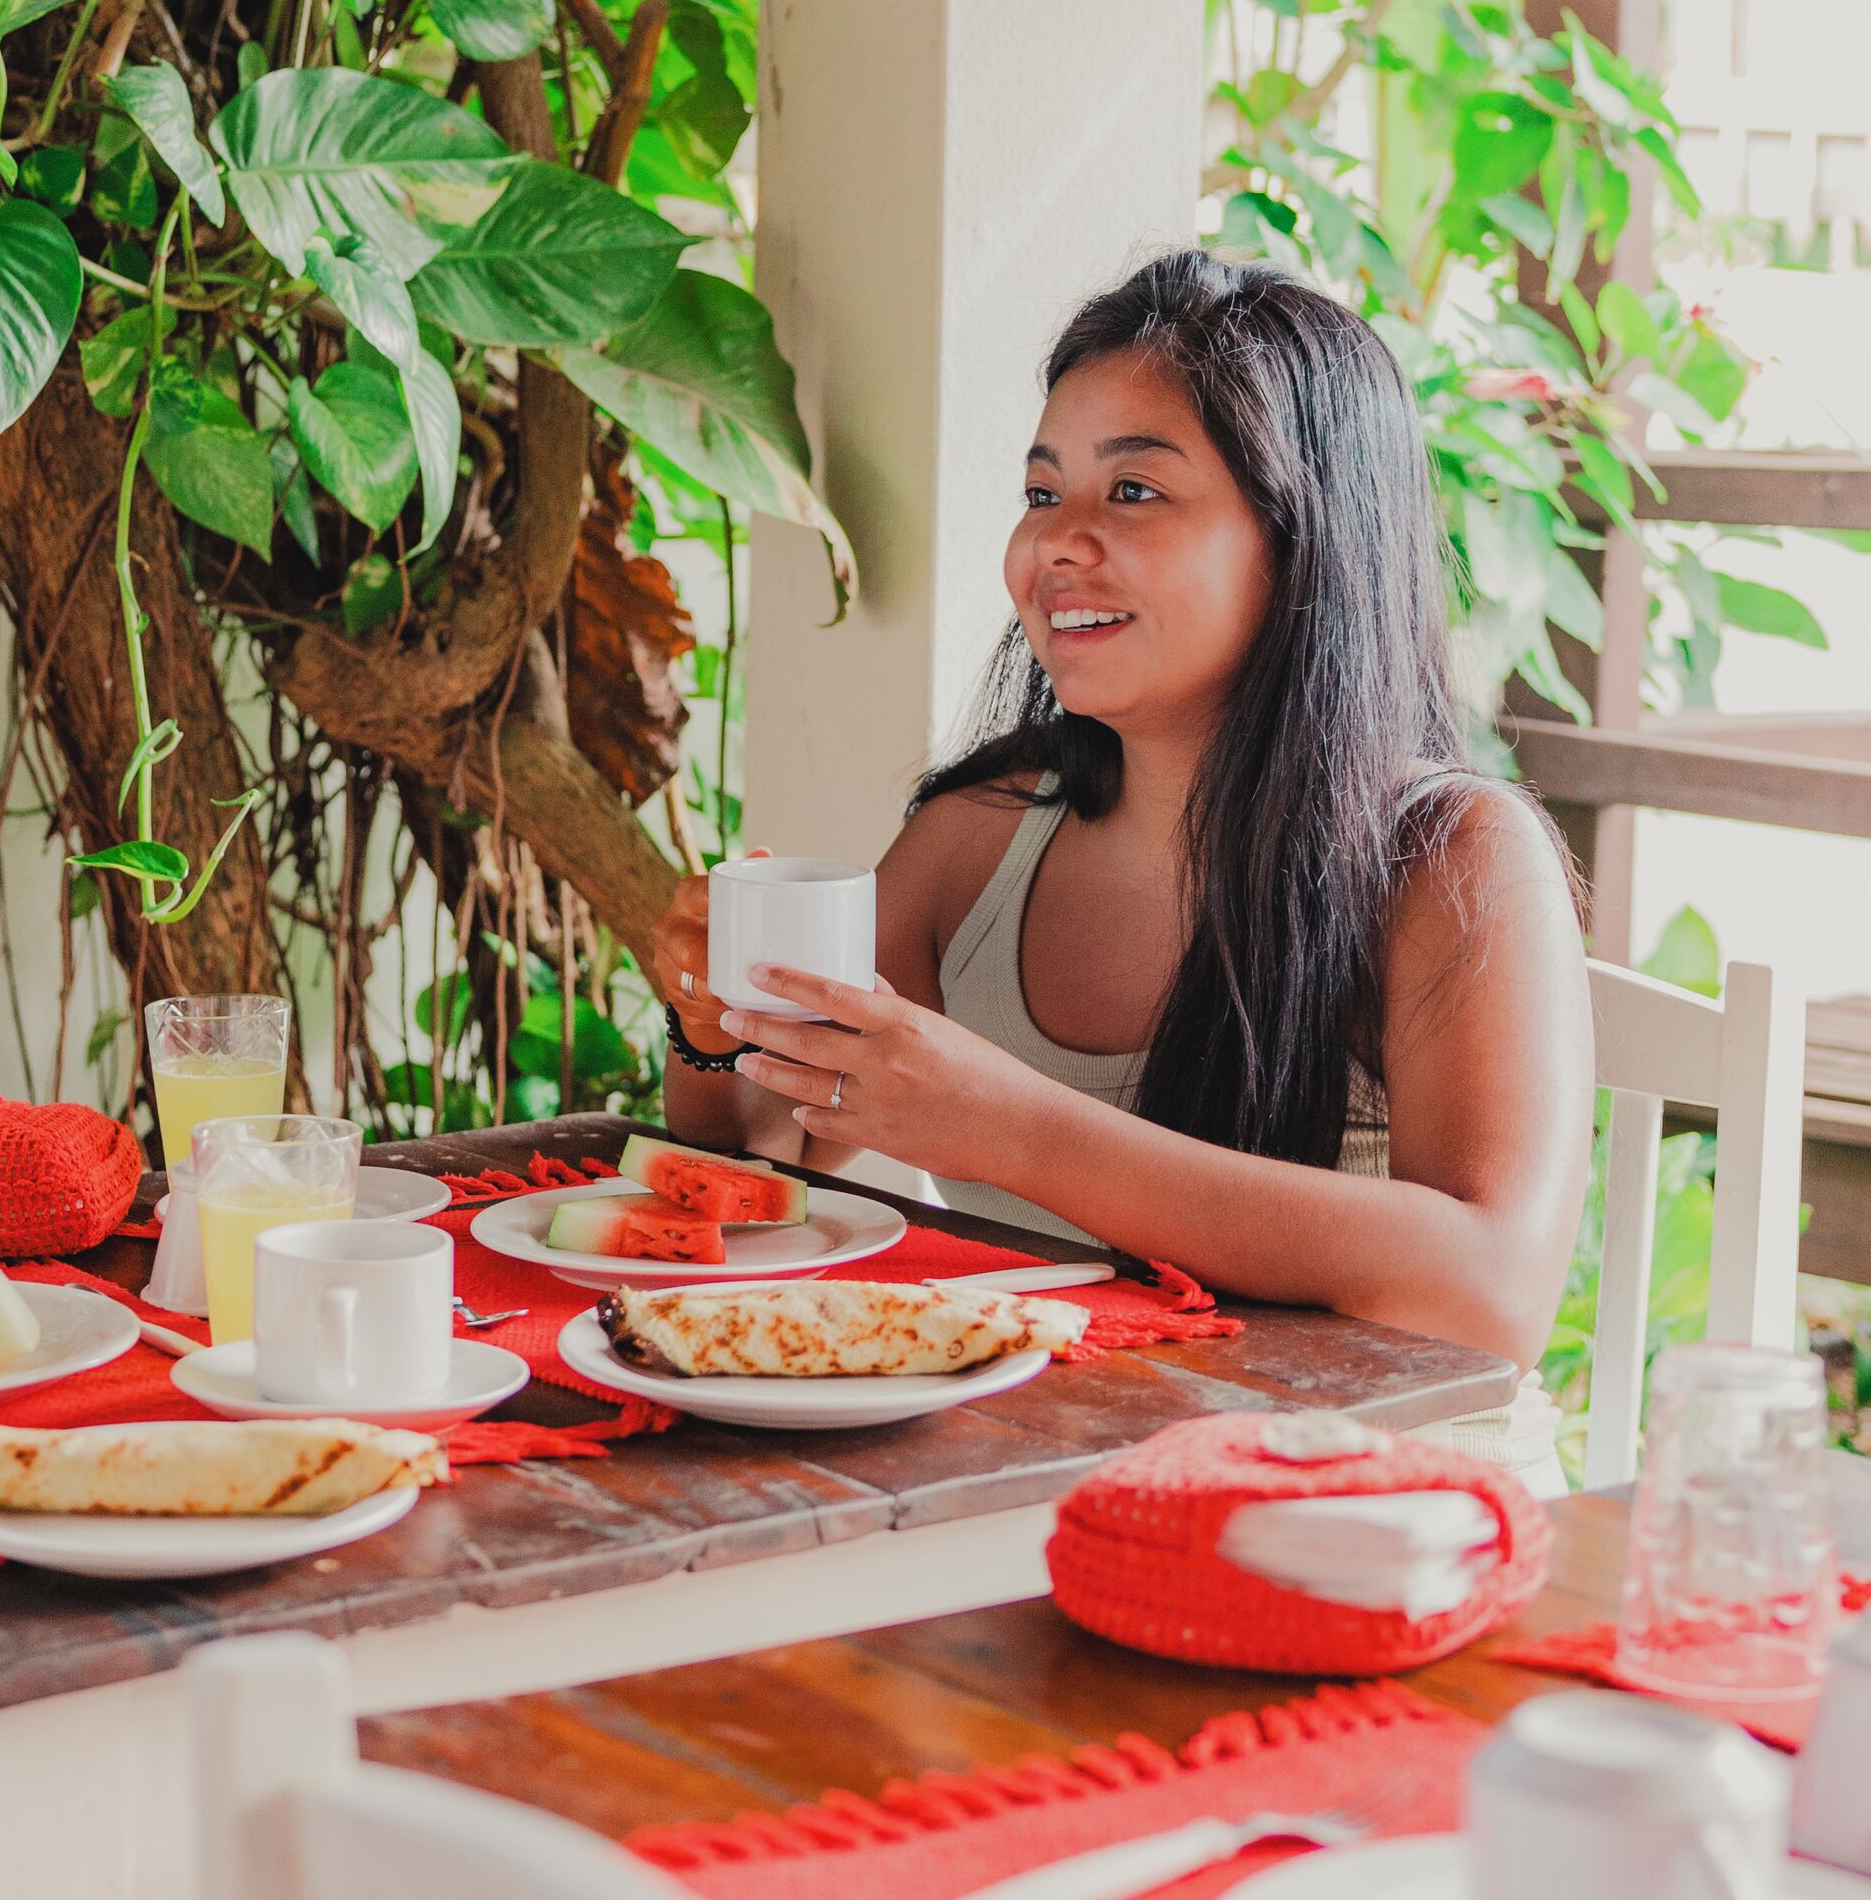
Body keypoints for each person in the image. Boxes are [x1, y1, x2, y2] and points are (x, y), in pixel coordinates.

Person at [652, 250, 1595, 1470]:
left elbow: (1491, 1291)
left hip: (1373, 1517)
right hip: (1050, 1488)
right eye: (1043, 494)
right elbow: (756, 1166)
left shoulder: (1453, 858)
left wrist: (1005, 1130)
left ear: (1302, 536)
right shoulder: (980, 832)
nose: (1058, 545)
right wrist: (708, 1030)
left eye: (1136, 492)